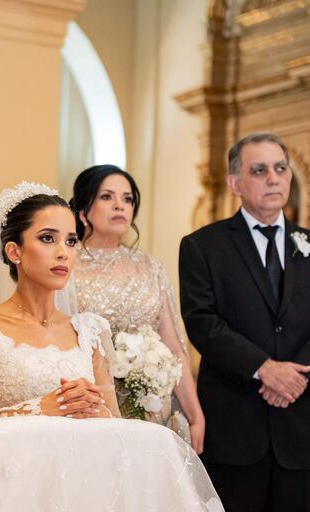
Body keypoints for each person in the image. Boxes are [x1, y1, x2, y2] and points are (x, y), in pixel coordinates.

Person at [0, 182, 221, 506]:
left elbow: (115, 432)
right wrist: (39, 409)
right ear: (14, 252)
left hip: (84, 490)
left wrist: (98, 411)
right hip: (10, 489)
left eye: (70, 241)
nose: (63, 252)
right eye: (47, 238)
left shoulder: (91, 332)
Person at [179, 132, 310, 512]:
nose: (273, 178)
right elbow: (201, 321)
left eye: (280, 168)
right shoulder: (203, 247)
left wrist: (299, 378)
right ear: (235, 183)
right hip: (235, 427)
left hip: (300, 429)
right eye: (259, 170)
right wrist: (263, 369)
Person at [70, 164, 205, 452]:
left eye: (127, 198)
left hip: (150, 409)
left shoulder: (150, 267)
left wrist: (195, 413)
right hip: (89, 406)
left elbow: (173, 346)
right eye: (107, 197)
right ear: (83, 210)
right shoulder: (67, 266)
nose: (119, 205)